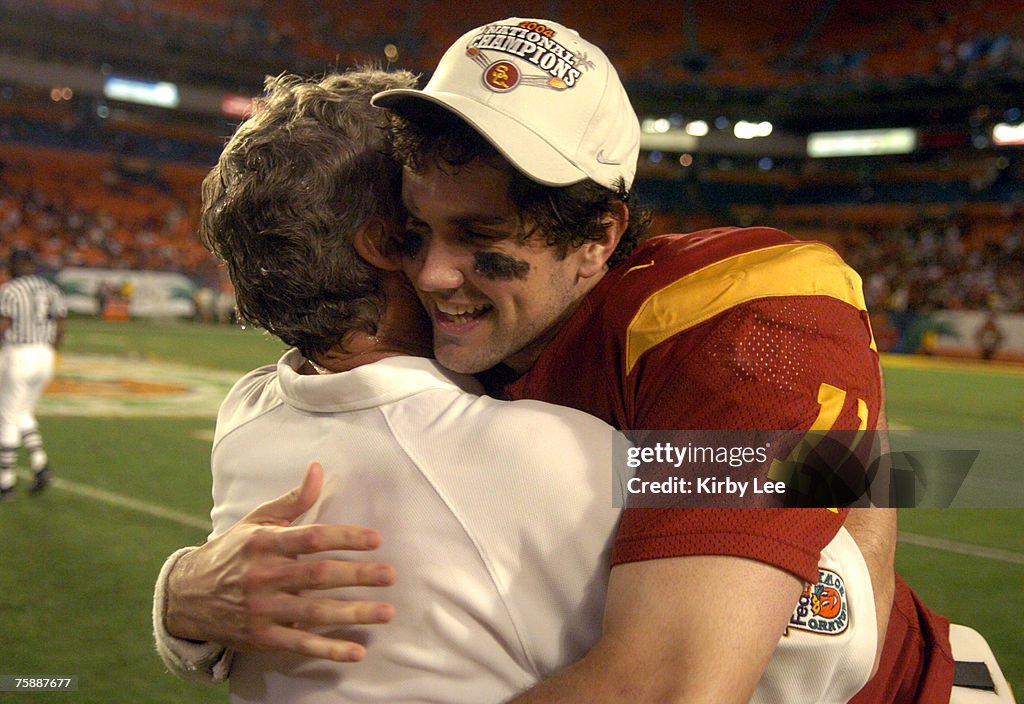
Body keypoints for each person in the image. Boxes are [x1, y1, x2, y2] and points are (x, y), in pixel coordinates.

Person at [159, 17, 959, 702]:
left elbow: (691, 679)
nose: (430, 272)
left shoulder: (737, 323)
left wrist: (843, 452)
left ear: (599, 236)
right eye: (415, 228)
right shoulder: (393, 374)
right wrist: (180, 599)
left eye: (481, 237)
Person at [153, 67, 633, 702]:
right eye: (423, 225)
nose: (437, 270)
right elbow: (787, 484)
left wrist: (174, 596)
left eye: (472, 227)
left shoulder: (247, 411)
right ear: (384, 243)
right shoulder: (545, 453)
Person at [0, 247, 66, 500]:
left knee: (7, 416)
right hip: (45, 354)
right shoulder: (50, 288)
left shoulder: (10, 290)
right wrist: (52, 353)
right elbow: (60, 324)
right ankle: (40, 465)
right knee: (23, 412)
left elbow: (3, 326)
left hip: (18, 353)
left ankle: (5, 483)